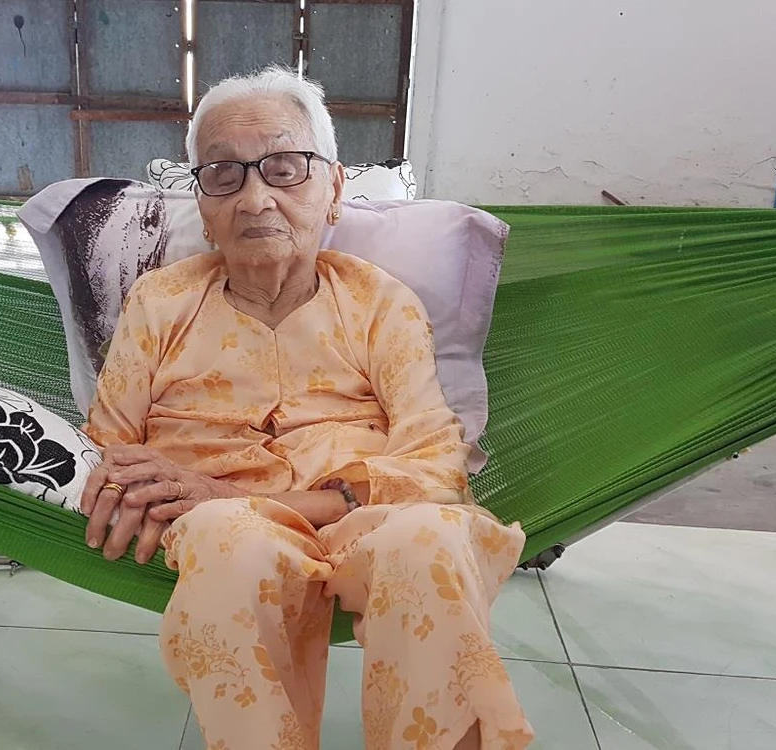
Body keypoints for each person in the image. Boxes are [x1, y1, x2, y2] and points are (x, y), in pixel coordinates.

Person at [80, 66, 533, 750]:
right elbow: (109, 445)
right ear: (203, 206)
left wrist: (294, 500)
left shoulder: (379, 302)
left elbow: (435, 462)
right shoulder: (160, 302)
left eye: (285, 168)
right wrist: (142, 490)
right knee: (229, 545)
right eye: (224, 175)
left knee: (430, 540)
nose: (255, 199)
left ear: (334, 190)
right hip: (218, 524)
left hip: (366, 514)